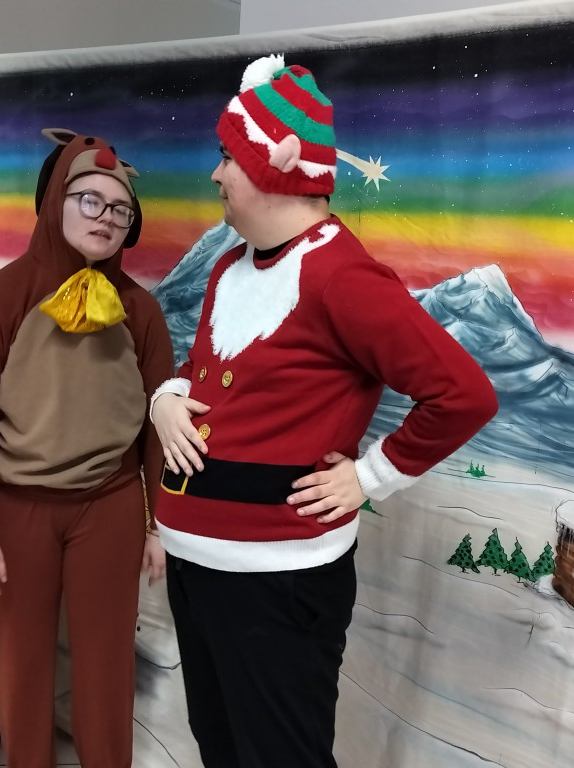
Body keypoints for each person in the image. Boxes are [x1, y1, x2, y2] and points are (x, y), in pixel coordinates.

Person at [151, 56, 499, 768]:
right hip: (196, 564)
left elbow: (463, 394)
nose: (216, 175)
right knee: (220, 745)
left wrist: (370, 477)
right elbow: (209, 375)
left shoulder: (343, 276)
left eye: (228, 158)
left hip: (274, 582)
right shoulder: (229, 267)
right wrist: (166, 400)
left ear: (272, 165)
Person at [0, 130, 173, 768]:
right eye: (90, 200)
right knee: (23, 662)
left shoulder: (141, 311)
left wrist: (157, 524)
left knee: (105, 662)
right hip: (19, 508)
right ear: (56, 200)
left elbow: (158, 427)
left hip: (109, 507)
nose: (105, 218)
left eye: (120, 209)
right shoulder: (4, 296)